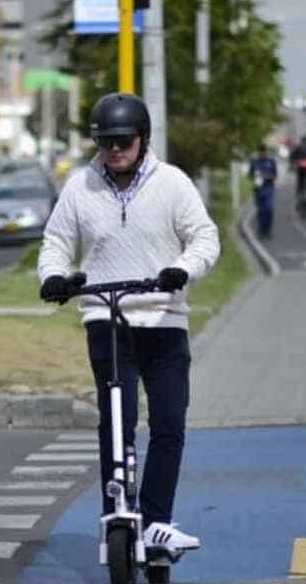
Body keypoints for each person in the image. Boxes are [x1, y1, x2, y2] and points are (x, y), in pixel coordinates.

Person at [37, 92, 220, 553]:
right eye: (106, 143)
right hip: (107, 316)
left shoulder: (173, 184)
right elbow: (56, 241)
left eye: (124, 141)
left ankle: (157, 520)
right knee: (116, 421)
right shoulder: (81, 187)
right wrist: (54, 277)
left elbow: (204, 237)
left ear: (143, 138)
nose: (115, 150)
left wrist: (183, 269)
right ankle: (116, 509)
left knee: (168, 422)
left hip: (163, 318)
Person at [249, 142, 278, 239]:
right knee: (261, 211)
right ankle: (261, 231)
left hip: (269, 187)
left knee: (269, 209)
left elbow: (275, 175)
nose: (263, 154)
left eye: (264, 152)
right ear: (259, 152)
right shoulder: (254, 162)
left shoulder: (271, 162)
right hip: (258, 188)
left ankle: (268, 230)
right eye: (261, 152)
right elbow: (250, 175)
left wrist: (267, 176)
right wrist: (256, 177)